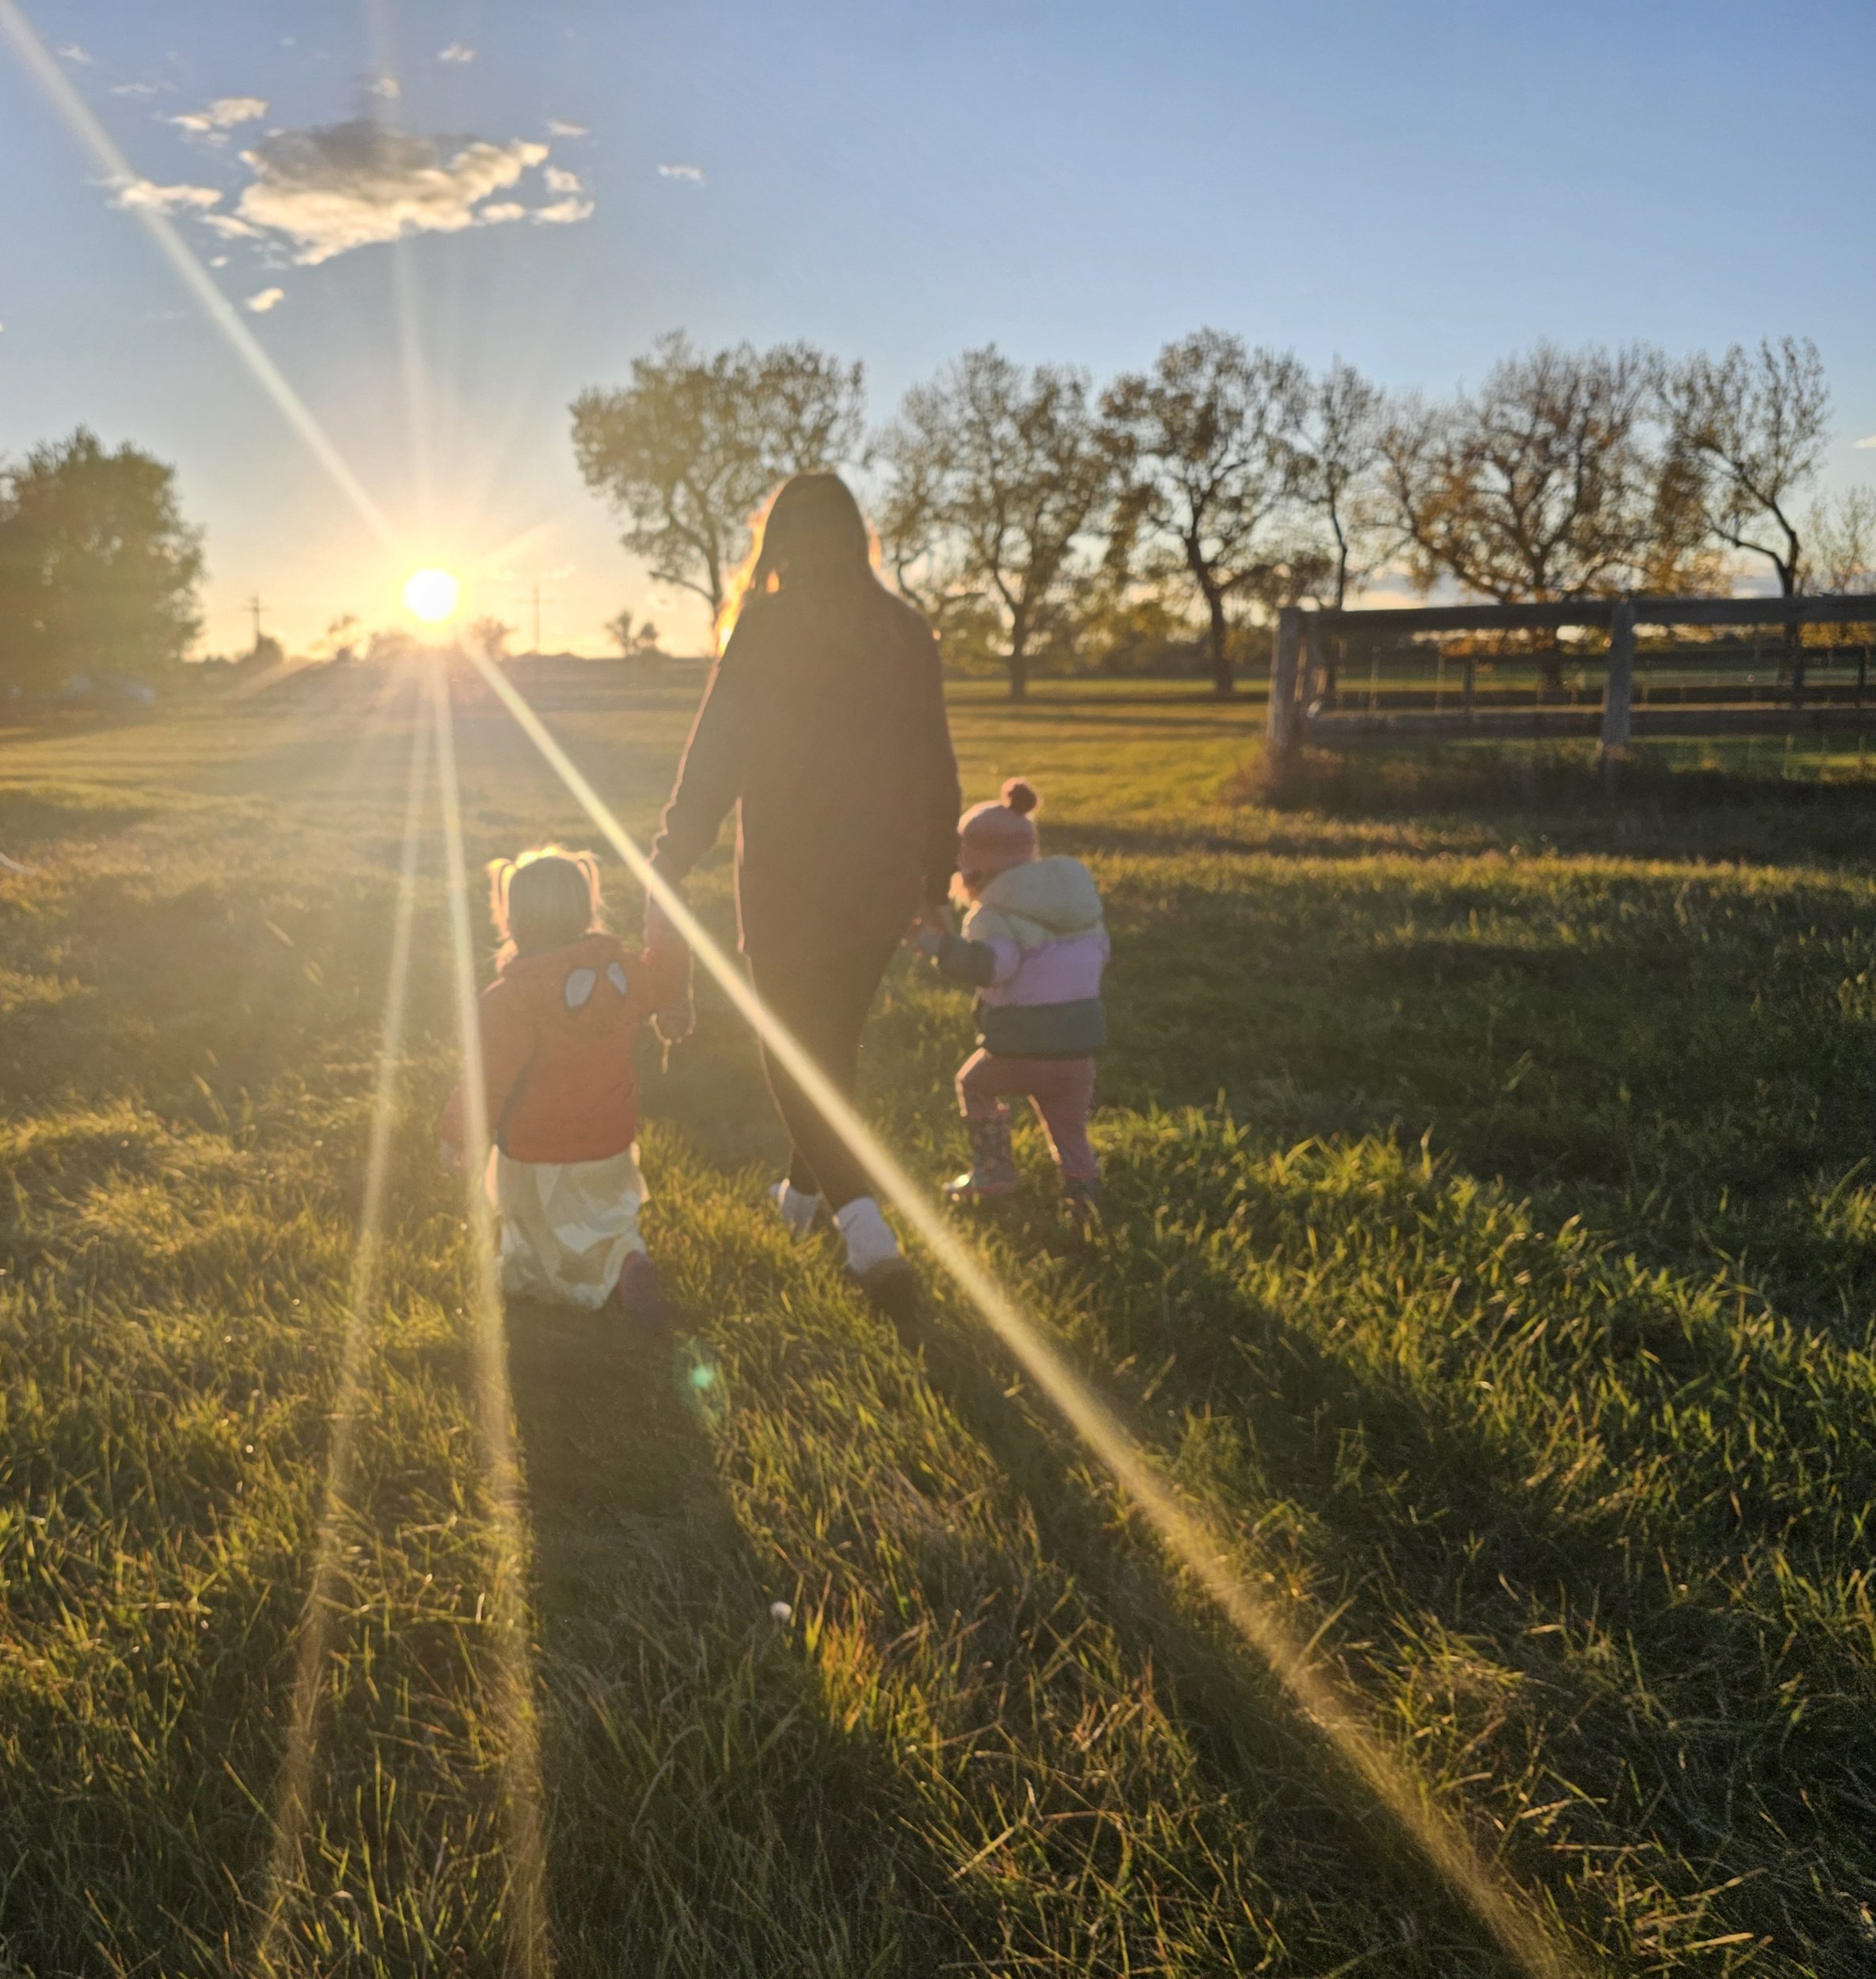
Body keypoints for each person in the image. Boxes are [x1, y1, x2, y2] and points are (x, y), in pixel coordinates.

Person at [648, 471, 960, 1301]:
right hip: (881, 877)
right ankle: (796, 1201)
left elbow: (717, 750)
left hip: (790, 874)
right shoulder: (904, 630)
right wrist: (932, 877)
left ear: (779, 541)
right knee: (830, 1048)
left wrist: (674, 848)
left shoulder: (770, 627)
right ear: (860, 539)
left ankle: (865, 1234)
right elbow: (938, 762)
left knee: (796, 1051)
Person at [439, 845, 688, 1318]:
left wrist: (458, 1132)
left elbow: (486, 1080)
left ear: (512, 921)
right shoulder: (625, 973)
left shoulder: (512, 998)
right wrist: (664, 924)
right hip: (610, 1140)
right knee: (608, 1217)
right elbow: (665, 976)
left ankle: (544, 1286)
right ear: (587, 911)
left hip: (537, 1148)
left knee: (538, 1231)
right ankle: (626, 1261)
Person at [917, 777, 1108, 1213]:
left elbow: (992, 966)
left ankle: (994, 1172)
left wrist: (936, 945)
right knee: (1067, 1124)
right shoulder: (1078, 904)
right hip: (1080, 1048)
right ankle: (1084, 1192)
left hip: (1022, 1046)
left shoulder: (993, 915)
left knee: (973, 1083)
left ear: (973, 868)